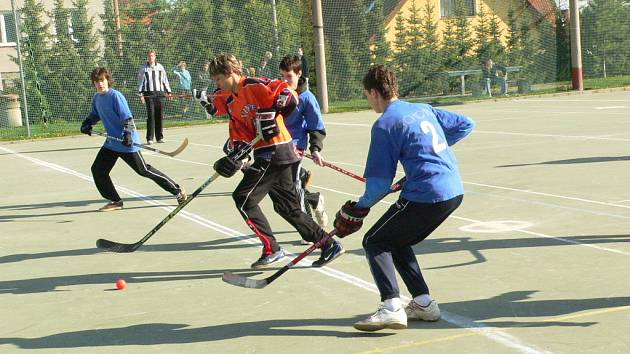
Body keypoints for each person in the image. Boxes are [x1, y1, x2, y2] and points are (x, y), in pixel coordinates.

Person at [332, 65, 475, 332]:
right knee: (397, 239)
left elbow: (378, 185)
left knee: (375, 241)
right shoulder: (422, 108)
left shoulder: (386, 124)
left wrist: (359, 208)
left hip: (427, 194)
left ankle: (391, 307)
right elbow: (467, 124)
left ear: (374, 93)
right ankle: (423, 303)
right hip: (453, 190)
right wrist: (427, 154)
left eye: (366, 95)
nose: (368, 101)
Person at [195, 53, 344, 269]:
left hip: (278, 151)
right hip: (266, 154)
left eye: (218, 79)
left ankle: (272, 249)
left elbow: (288, 94)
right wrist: (235, 156)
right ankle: (329, 244)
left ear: (230, 73)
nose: (216, 84)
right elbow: (240, 134)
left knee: (244, 198)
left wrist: (273, 112)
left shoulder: (255, 85)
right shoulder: (230, 101)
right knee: (287, 208)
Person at [81, 67, 187, 212]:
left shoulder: (115, 96)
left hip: (126, 142)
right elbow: (95, 114)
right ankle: (115, 201)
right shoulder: (97, 98)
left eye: (102, 80)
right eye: (97, 82)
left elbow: (127, 118)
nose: (100, 84)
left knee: (144, 170)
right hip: (112, 143)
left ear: (107, 81)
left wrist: (128, 134)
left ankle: (177, 191)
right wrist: (87, 123)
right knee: (98, 170)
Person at [279, 54, 328, 235]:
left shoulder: (307, 98)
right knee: (280, 188)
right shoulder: (278, 92)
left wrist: (315, 149)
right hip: (277, 146)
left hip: (294, 147)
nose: (285, 80)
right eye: (282, 76)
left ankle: (308, 230)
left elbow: (316, 125)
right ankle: (314, 199)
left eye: (289, 76)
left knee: (294, 188)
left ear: (299, 74)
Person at [138, 49, 172, 144]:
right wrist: (141, 94)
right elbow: (140, 82)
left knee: (159, 115)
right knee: (151, 115)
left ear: (155, 56)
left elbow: (165, 80)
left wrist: (169, 92)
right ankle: (150, 138)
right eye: (149, 56)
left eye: (152, 56)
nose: (151, 57)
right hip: (149, 94)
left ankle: (159, 137)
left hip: (160, 93)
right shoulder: (143, 68)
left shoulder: (160, 67)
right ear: (147, 57)